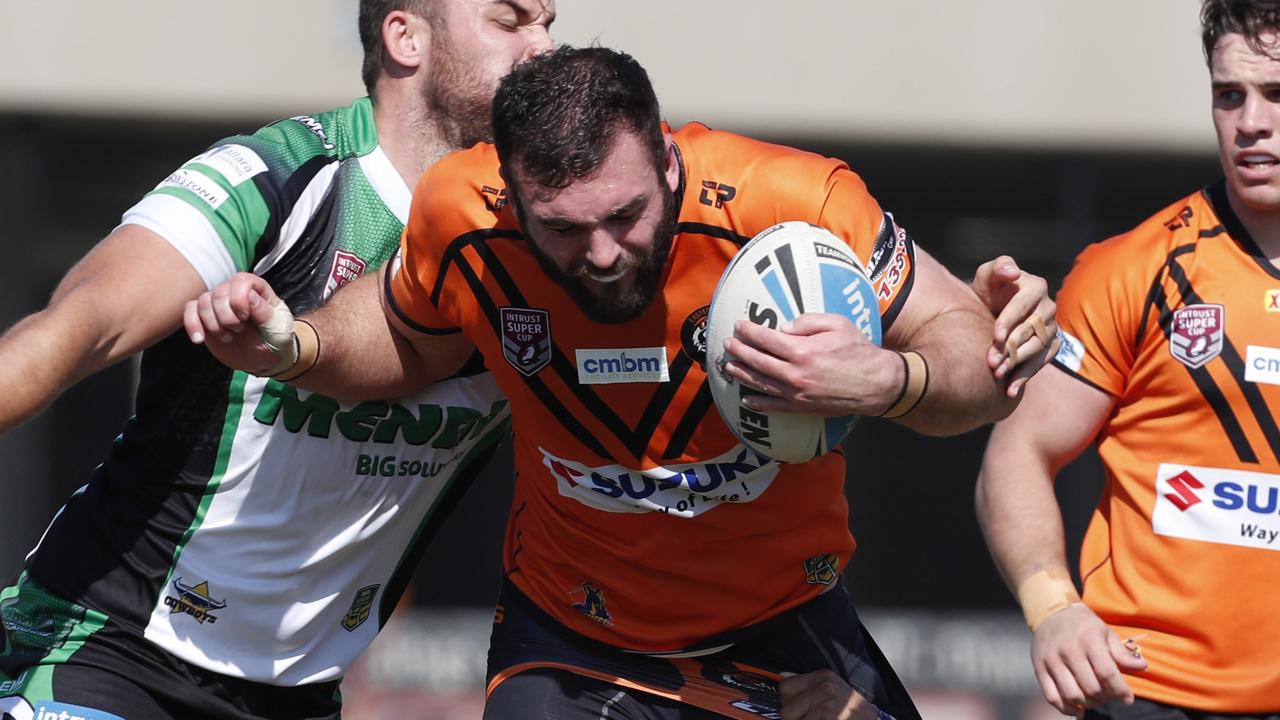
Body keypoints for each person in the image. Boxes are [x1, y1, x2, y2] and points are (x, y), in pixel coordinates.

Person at [186, 45, 1060, 719]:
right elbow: (406, 334)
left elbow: (975, 356)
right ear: (513, 203)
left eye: (625, 215)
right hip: (570, 638)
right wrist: (294, 346)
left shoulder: (794, 200)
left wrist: (887, 378)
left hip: (788, 627)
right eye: (562, 230)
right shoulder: (461, 211)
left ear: (670, 163)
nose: (602, 256)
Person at [0, 2, 554, 719]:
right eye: (508, 20)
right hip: (108, 648)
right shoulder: (280, 177)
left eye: (548, 21)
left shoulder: (552, 237)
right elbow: (74, 333)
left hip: (300, 696)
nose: (541, 46)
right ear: (405, 36)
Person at [975, 0, 1280, 717]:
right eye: (1228, 95)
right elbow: (1016, 453)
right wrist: (1052, 608)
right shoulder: (1135, 269)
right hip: (1153, 693)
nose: (1251, 121)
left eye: (1277, 94)